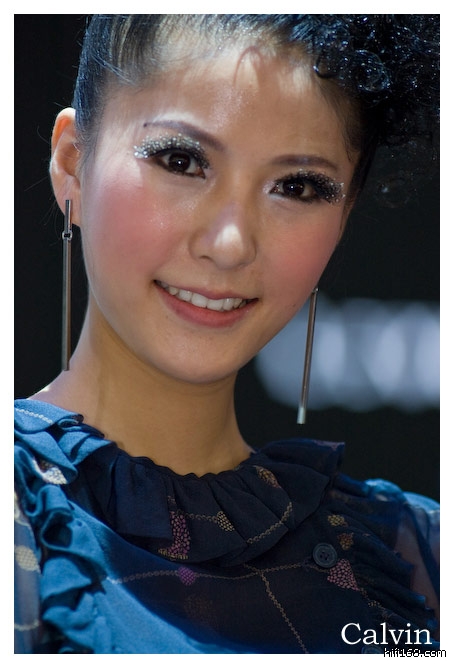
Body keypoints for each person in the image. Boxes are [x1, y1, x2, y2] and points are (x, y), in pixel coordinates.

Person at [14, 14, 440, 654]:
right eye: (181, 161)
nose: (231, 243)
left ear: (345, 215)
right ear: (73, 162)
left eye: (297, 187)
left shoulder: (418, 558)